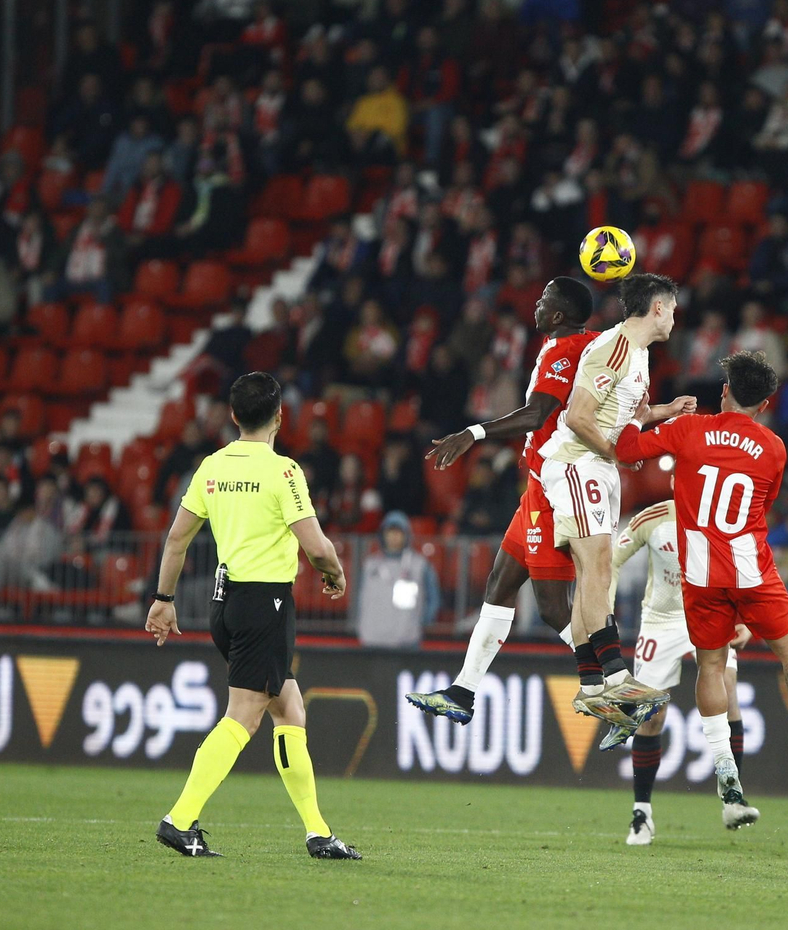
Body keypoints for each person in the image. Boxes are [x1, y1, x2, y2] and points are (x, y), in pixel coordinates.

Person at [615, 350, 788, 820]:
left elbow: (626, 450)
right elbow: (763, 504)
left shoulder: (689, 428)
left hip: (701, 574)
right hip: (751, 569)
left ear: (724, 392)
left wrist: (643, 415)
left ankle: (723, 762)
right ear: (764, 404)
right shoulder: (775, 447)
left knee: (711, 666)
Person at [144, 372, 358, 861]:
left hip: (225, 603)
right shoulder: (284, 472)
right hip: (265, 606)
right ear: (280, 416)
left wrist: (163, 598)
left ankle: (318, 832)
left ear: (234, 416)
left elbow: (176, 538)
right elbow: (316, 547)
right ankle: (179, 819)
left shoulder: (212, 466)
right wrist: (335, 573)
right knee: (243, 714)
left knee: (289, 708)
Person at [405, 277, 597, 724]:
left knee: (552, 608)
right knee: (500, 584)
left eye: (544, 299)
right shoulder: (579, 344)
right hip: (538, 485)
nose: (536, 303)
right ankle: (463, 692)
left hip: (552, 491)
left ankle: (612, 679)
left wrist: (473, 433)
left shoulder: (563, 352)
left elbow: (537, 413)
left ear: (558, 315)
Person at [537, 273, 693, 729]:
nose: (675, 317)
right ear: (658, 308)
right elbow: (578, 415)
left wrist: (664, 412)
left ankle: (591, 686)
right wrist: (616, 453)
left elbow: (626, 414)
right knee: (598, 568)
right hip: (579, 463)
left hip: (598, 466)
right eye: (673, 308)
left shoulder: (639, 354)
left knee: (593, 573)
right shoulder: (615, 347)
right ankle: (617, 676)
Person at [612, 498, 755, 845]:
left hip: (708, 614)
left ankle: (732, 799)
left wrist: (747, 619)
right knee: (651, 715)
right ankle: (641, 814)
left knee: (728, 691)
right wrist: (604, 611)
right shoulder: (652, 517)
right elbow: (611, 560)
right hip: (661, 621)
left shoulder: (722, 517)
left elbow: (746, 567)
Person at [356, 511, 441, 649]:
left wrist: (421, 622)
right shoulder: (370, 565)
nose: (394, 536)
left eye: (398, 532)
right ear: (383, 535)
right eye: (390, 532)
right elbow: (359, 597)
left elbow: (433, 598)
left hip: (406, 642)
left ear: (406, 535)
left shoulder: (420, 565)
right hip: (372, 641)